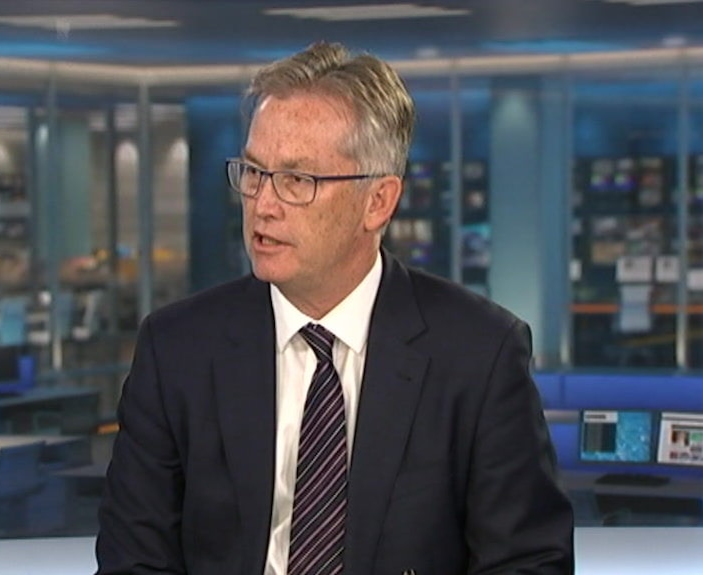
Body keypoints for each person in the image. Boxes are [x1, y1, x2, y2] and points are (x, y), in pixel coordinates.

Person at [96, 41, 574, 575]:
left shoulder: (478, 353)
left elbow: (529, 561)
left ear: (378, 202)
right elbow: (131, 560)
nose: (264, 205)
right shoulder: (177, 348)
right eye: (254, 173)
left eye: (298, 180)